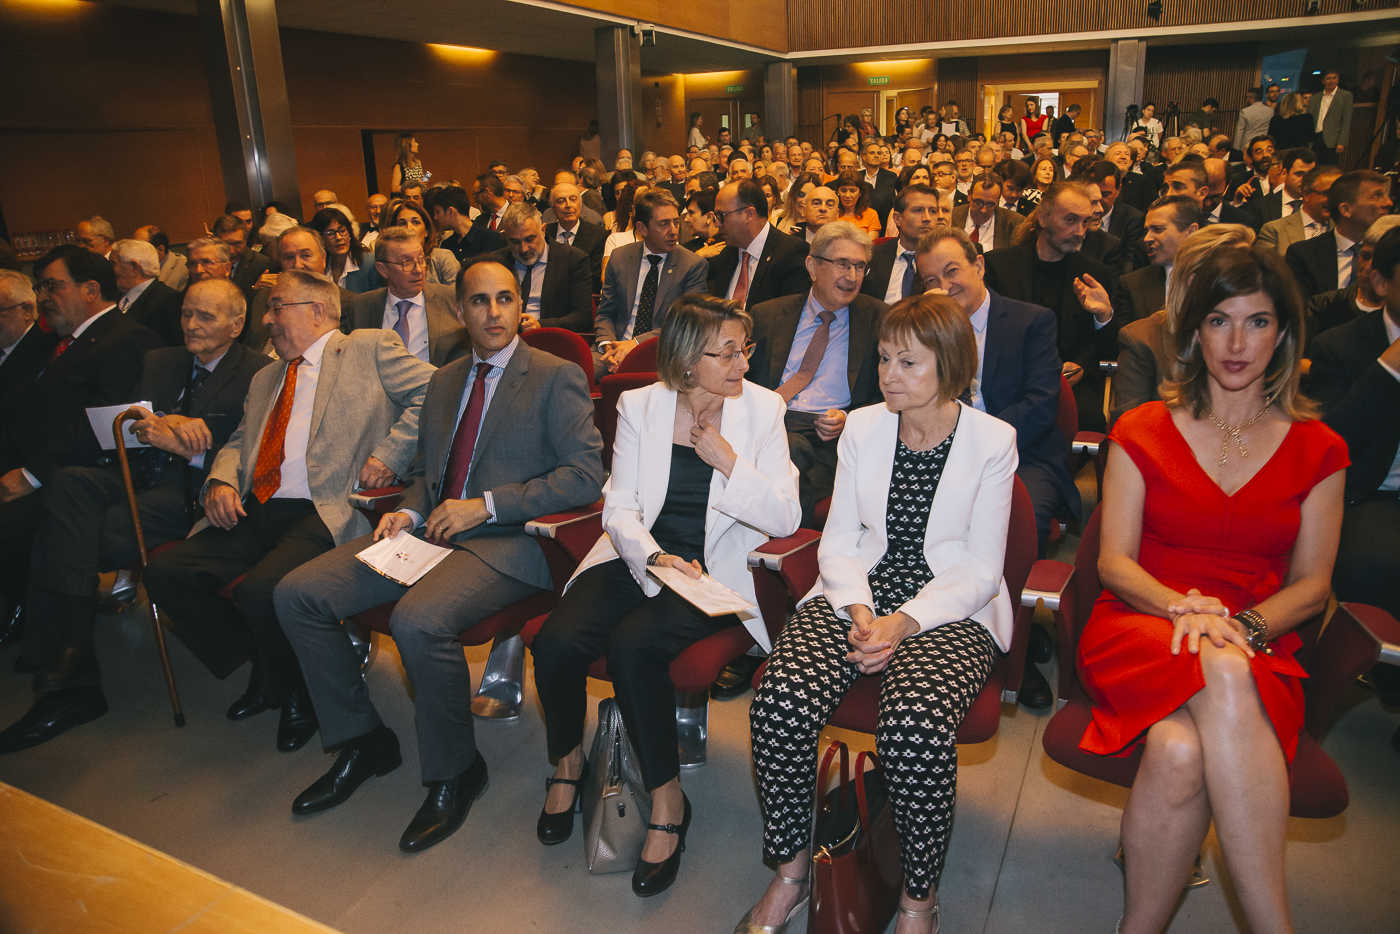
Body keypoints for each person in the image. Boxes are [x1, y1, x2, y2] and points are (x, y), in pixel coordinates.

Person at [274, 260, 603, 853]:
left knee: (418, 620)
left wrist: (487, 505)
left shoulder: (556, 376)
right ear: (459, 309)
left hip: (509, 542)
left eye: (506, 299)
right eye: (480, 301)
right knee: (299, 593)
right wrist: (410, 509)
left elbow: (585, 476)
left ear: (519, 305)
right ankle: (362, 740)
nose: (495, 312)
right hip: (429, 533)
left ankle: (455, 771)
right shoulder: (447, 379)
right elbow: (430, 472)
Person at [1082, 243, 1346, 934]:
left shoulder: (1320, 447)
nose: (1237, 343)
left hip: (1258, 634)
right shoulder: (1140, 429)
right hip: (1141, 620)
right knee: (1223, 668)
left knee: (1178, 749)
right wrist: (1184, 607)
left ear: (1283, 334)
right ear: (1193, 332)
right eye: (1219, 321)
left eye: (1257, 322)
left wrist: (1246, 627)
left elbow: (1314, 586)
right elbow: (1114, 562)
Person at [742, 293, 1018, 934]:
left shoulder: (992, 442)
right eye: (886, 358)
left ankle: (918, 898)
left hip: (951, 607)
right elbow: (837, 537)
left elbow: (981, 568)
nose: (889, 374)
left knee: (914, 723)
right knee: (780, 700)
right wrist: (863, 608)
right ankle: (789, 872)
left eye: (909, 363)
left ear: (950, 369)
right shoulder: (865, 427)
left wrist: (903, 623)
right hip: (856, 589)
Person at [531, 293, 798, 894]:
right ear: (683, 358)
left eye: (744, 348)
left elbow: (785, 516)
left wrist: (728, 461)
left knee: (634, 647)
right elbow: (620, 506)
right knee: (556, 642)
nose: (741, 363)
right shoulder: (639, 405)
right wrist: (650, 556)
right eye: (725, 352)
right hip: (642, 555)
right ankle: (568, 763)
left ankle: (667, 799)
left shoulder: (763, 410)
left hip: (712, 572)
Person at [143, 269, 434, 751]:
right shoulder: (266, 375)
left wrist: (390, 453)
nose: (267, 319)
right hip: (257, 504)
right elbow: (241, 439)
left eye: (277, 306)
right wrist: (219, 478)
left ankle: (294, 692)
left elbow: (435, 391)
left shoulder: (365, 347)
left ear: (317, 310)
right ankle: (268, 661)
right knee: (167, 571)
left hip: (324, 507)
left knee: (266, 590)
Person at [0, 279, 270, 753]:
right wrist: (152, 428)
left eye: (205, 317)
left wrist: (187, 446)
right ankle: (68, 666)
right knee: (68, 486)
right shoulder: (160, 361)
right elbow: (127, 424)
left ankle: (66, 672)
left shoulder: (258, 372)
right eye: (186, 313)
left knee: (61, 537)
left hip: (189, 490)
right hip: (136, 472)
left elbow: (248, 450)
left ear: (236, 323)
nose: (190, 324)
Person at [0, 247, 162, 663]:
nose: (43, 296)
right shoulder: (59, 340)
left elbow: (108, 429)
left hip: (96, 478)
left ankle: (50, 644)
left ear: (91, 289)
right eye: (39, 287)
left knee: (17, 519)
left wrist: (33, 475)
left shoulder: (126, 339)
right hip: (53, 465)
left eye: (52, 285)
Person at [1306, 225, 1400, 712]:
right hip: (1371, 493)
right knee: (1381, 563)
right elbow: (1330, 442)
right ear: (1382, 283)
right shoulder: (1338, 346)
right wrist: (1389, 371)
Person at [747, 222, 886, 527]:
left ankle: (785, 546)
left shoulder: (879, 319)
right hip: (768, 422)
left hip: (829, 435)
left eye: (860, 266)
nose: (852, 277)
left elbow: (888, 395)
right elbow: (743, 382)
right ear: (812, 266)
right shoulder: (767, 315)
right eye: (842, 264)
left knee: (794, 455)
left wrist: (850, 420)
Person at [983, 181, 1119, 432]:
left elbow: (1108, 351)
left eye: (1085, 222)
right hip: (1009, 386)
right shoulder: (999, 267)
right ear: (1044, 218)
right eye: (1070, 220)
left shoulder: (1096, 275)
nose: (1080, 231)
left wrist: (1103, 317)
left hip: (1070, 390)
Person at [1109, 223, 1256, 428]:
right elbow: (1129, 436)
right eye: (1233, 277)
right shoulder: (1142, 340)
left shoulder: (1260, 338)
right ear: (1193, 281)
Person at [594, 190, 708, 373]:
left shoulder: (693, 265)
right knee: (573, 373)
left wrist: (635, 344)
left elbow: (686, 324)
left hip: (662, 353)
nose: (673, 231)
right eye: (664, 224)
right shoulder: (620, 257)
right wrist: (608, 345)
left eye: (675, 222)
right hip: (614, 349)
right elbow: (605, 312)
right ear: (642, 228)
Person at [342, 226, 469, 366]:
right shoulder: (361, 306)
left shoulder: (451, 299)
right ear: (382, 270)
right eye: (406, 262)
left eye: (421, 260)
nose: (418, 270)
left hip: (435, 384)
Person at [487, 203, 593, 333]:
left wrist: (541, 325)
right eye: (515, 242)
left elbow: (583, 318)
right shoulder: (496, 263)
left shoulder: (573, 260)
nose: (523, 249)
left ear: (543, 230)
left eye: (530, 239)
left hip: (550, 338)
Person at [1285, 170, 1393, 298]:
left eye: (1386, 196)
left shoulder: (1393, 251)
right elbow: (1302, 311)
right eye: (1377, 196)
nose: (1388, 203)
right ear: (1346, 210)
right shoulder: (1304, 255)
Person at [706, 180, 810, 311]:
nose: (717, 224)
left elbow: (787, 318)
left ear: (749, 214)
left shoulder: (792, 253)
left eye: (721, 216)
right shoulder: (726, 255)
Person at [864, 184, 941, 303]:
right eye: (918, 210)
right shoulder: (873, 255)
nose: (927, 218)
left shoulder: (943, 260)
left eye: (933, 211)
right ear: (898, 218)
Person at [111, 238, 184, 346]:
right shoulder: (114, 296)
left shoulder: (169, 301)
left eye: (113, 263)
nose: (110, 269)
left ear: (134, 267)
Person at [309, 206, 370, 290]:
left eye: (342, 231)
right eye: (330, 233)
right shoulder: (317, 266)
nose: (339, 237)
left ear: (350, 234)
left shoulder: (369, 264)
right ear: (320, 238)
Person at [1307, 71, 1354, 166]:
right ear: (1323, 81)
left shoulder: (1345, 96)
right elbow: (1309, 118)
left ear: (1338, 79)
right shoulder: (1315, 97)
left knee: (1330, 167)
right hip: (1315, 137)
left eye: (1334, 78)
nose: (1331, 81)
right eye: (1328, 78)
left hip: (1333, 139)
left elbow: (1346, 121)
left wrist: (1342, 142)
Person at [833, 171, 881, 236]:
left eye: (852, 191)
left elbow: (870, 242)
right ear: (838, 192)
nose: (847, 195)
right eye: (843, 191)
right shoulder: (831, 213)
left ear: (860, 193)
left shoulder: (871, 214)